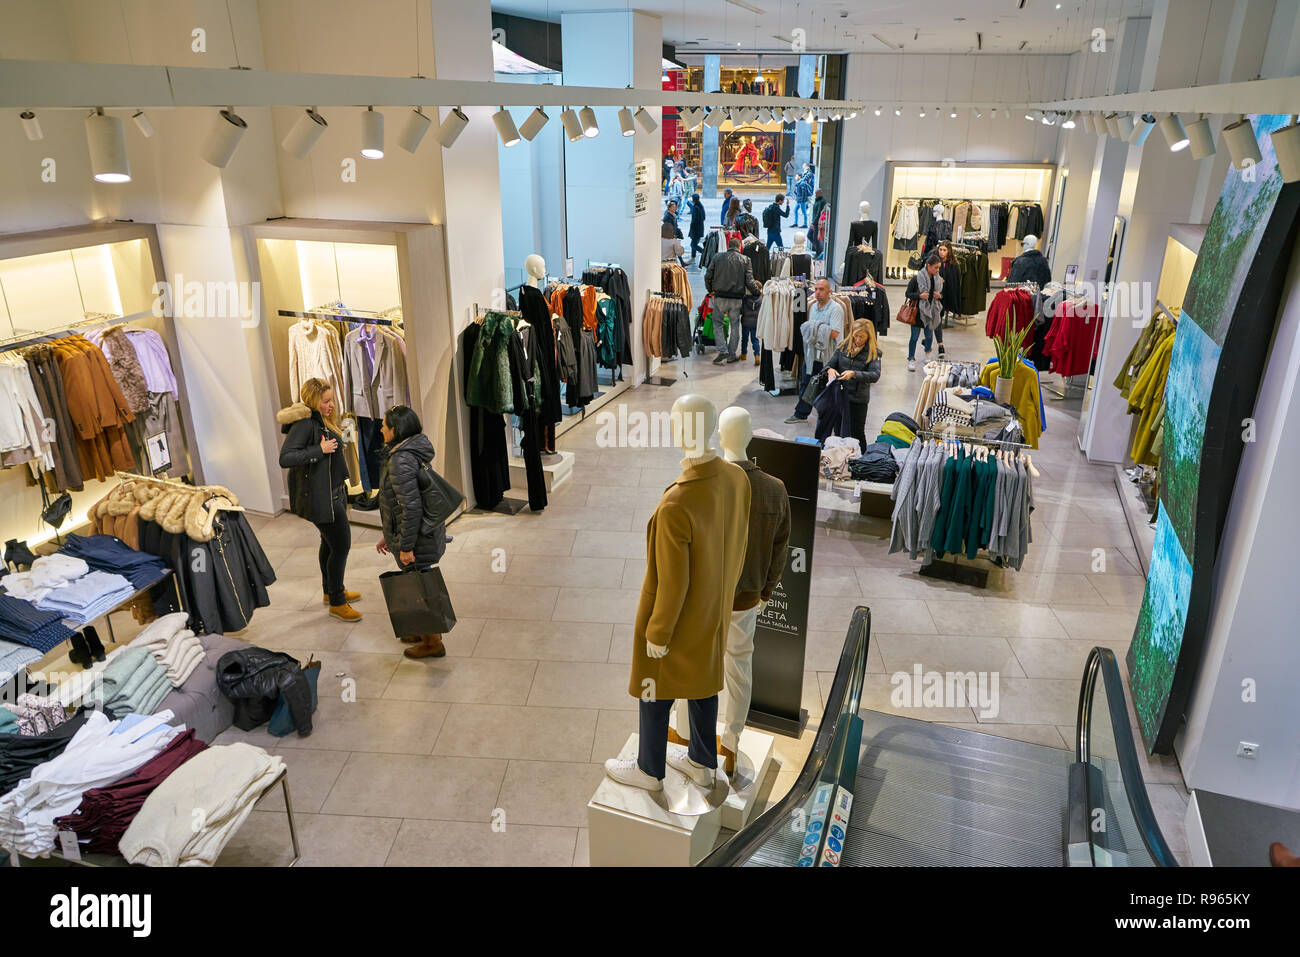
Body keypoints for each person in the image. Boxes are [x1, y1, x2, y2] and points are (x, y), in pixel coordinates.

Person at [277, 377, 361, 622]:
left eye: (331, 400)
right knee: (341, 545)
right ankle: (337, 601)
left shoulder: (322, 421)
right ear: (314, 401)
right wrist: (318, 451)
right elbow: (286, 458)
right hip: (321, 497)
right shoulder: (305, 424)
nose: (331, 405)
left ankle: (330, 591)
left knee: (329, 543)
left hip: (331, 492)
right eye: (325, 401)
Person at [375, 405, 449, 660]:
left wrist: (405, 547)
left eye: (384, 425)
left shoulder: (400, 460)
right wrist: (389, 533)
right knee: (421, 582)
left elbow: (411, 508)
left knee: (421, 585)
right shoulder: (411, 449)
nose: (380, 428)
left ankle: (432, 642)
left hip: (416, 539)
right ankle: (423, 631)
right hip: (420, 534)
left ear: (396, 430)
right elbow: (401, 503)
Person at [784, 278, 844, 424]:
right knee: (806, 383)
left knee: (828, 387)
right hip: (812, 354)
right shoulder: (812, 307)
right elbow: (808, 329)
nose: (817, 292)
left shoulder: (836, 309)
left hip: (828, 356)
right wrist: (817, 328)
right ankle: (801, 414)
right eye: (816, 289)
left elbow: (835, 333)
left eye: (821, 289)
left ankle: (831, 416)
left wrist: (815, 328)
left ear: (829, 291)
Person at [823, 319, 882, 450]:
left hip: (858, 399)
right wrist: (829, 370)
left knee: (857, 433)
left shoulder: (874, 353)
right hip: (839, 397)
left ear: (869, 336)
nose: (857, 339)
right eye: (855, 335)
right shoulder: (843, 346)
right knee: (838, 432)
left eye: (862, 336)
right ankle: (838, 460)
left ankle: (862, 463)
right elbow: (829, 365)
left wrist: (855, 374)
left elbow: (875, 375)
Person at [704, 236, 762, 365]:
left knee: (717, 324)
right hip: (736, 299)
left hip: (720, 297)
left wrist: (710, 289)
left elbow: (708, 275)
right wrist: (757, 292)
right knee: (735, 326)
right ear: (739, 247)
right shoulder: (745, 259)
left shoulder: (717, 257)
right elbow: (749, 281)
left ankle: (722, 349)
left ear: (728, 246)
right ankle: (731, 355)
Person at [905, 253, 946, 371]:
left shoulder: (937, 280)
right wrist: (919, 295)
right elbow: (907, 294)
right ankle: (911, 359)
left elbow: (941, 295)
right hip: (918, 312)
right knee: (914, 337)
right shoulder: (917, 278)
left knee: (929, 336)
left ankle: (927, 353)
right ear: (928, 266)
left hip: (932, 312)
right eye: (936, 267)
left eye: (939, 267)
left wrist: (940, 295)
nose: (938, 270)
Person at [935, 241, 963, 320]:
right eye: (940, 249)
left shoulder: (953, 264)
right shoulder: (934, 261)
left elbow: (956, 281)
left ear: (948, 251)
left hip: (949, 290)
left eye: (944, 250)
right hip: (937, 291)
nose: (942, 252)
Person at [687, 193, 706, 265]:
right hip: (700, 228)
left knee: (693, 245)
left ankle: (704, 252)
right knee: (694, 243)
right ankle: (693, 257)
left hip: (696, 230)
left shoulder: (696, 208)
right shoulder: (700, 206)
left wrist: (692, 229)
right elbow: (703, 218)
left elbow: (694, 220)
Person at [810, 188, 828, 258]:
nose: (815, 194)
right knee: (810, 235)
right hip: (814, 222)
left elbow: (818, 213)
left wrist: (813, 223)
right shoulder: (817, 200)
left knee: (815, 238)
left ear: (820, 193)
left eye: (816, 193)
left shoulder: (821, 201)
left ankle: (818, 253)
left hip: (817, 223)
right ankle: (817, 250)